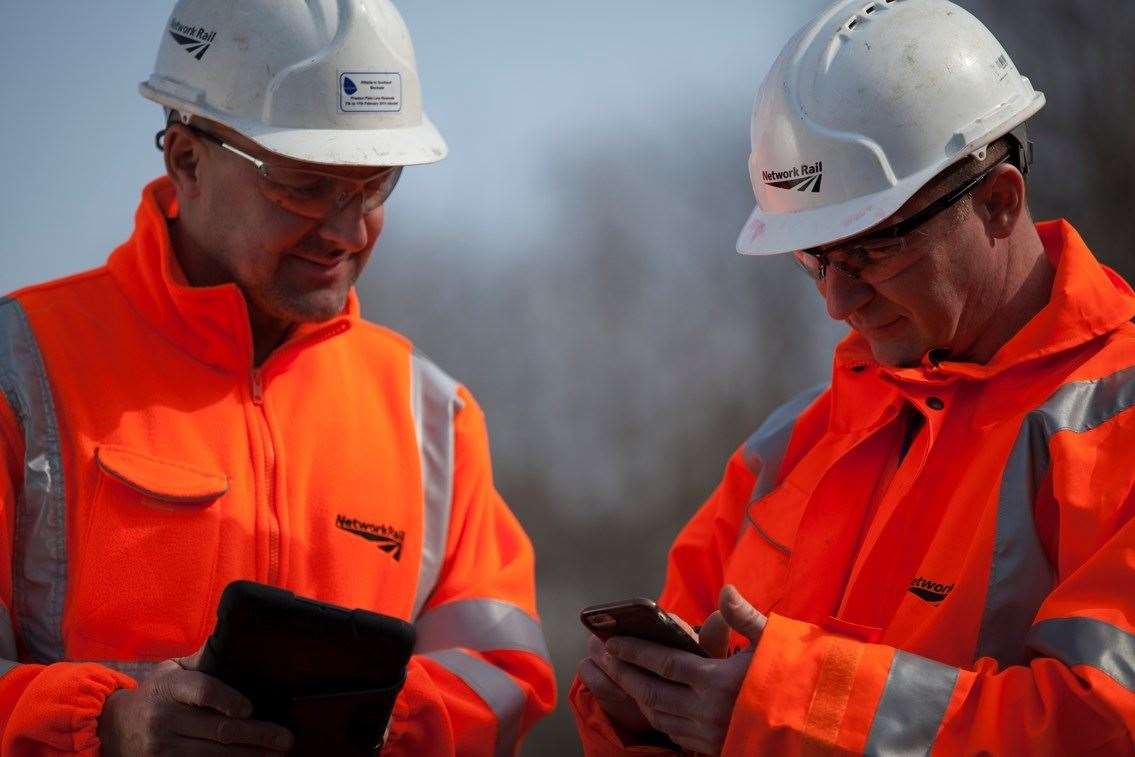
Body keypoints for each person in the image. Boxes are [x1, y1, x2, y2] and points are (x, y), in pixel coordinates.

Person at [572, 0, 1135, 753]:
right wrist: (638, 712)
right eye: (814, 257)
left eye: (870, 250)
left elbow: (1100, 726)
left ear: (998, 203)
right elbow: (687, 677)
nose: (837, 301)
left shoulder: (1117, 424)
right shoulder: (790, 443)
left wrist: (784, 711)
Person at [0, 1, 554, 753]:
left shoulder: (434, 417)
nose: (347, 231)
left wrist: (377, 716)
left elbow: (502, 672)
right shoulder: (23, 368)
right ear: (187, 160)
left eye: (373, 186)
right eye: (305, 184)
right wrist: (104, 725)